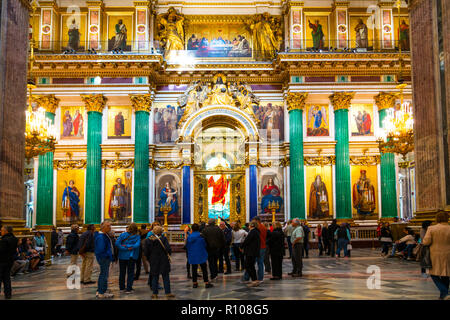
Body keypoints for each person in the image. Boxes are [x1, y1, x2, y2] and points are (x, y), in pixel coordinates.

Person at [422, 211, 450, 300]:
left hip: (435, 254)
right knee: (446, 273)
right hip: (448, 253)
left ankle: (445, 292)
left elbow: (426, 242)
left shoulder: (431, 228)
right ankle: (443, 296)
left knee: (433, 273)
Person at [144, 226, 175, 299]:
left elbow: (146, 252)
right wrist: (168, 255)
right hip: (163, 260)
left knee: (155, 277)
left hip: (153, 260)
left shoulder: (148, 240)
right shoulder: (163, 239)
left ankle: (155, 294)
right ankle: (168, 292)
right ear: (161, 232)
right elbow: (168, 249)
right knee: (166, 277)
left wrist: (149, 259)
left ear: (153, 232)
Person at [185, 223, 213, 289]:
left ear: (192, 229)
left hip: (193, 254)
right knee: (204, 269)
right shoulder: (202, 236)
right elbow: (205, 245)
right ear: (198, 228)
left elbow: (187, 246)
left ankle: (194, 283)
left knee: (194, 269)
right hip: (201, 253)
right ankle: (206, 282)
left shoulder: (189, 237)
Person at [116, 223, 141, 293]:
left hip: (122, 256)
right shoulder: (137, 236)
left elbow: (117, 243)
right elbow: (137, 244)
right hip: (131, 256)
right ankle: (129, 288)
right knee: (130, 273)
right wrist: (130, 247)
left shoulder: (122, 235)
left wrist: (124, 247)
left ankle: (121, 288)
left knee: (122, 272)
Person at [94, 221, 115, 299]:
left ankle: (101, 290)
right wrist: (107, 256)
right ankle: (101, 292)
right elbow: (100, 250)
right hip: (104, 258)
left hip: (105, 258)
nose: (110, 227)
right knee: (104, 275)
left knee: (104, 275)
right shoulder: (101, 237)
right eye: (108, 226)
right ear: (103, 227)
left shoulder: (104, 235)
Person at [0, 226, 18, 299]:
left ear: (6, 231)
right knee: (7, 278)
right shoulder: (14, 239)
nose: (0, 231)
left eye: (1, 230)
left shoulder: (4, 240)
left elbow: (1, 251)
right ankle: (8, 294)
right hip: (10, 261)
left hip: (1, 261)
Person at [241, 221, 261, 287]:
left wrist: (241, 246)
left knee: (249, 266)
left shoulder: (253, 232)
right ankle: (255, 280)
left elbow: (247, 240)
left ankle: (254, 280)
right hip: (252, 251)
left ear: (251, 225)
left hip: (251, 252)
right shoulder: (256, 231)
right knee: (250, 266)